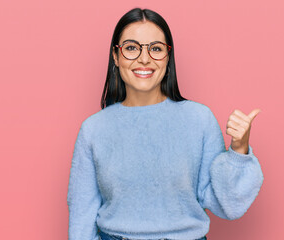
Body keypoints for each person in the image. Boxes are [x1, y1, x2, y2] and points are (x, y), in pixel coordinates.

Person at [67, 7, 264, 240]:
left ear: (168, 57)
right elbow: (82, 215)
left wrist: (239, 150)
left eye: (156, 49)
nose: (144, 58)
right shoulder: (94, 129)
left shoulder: (199, 119)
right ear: (116, 56)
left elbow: (226, 204)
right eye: (131, 48)